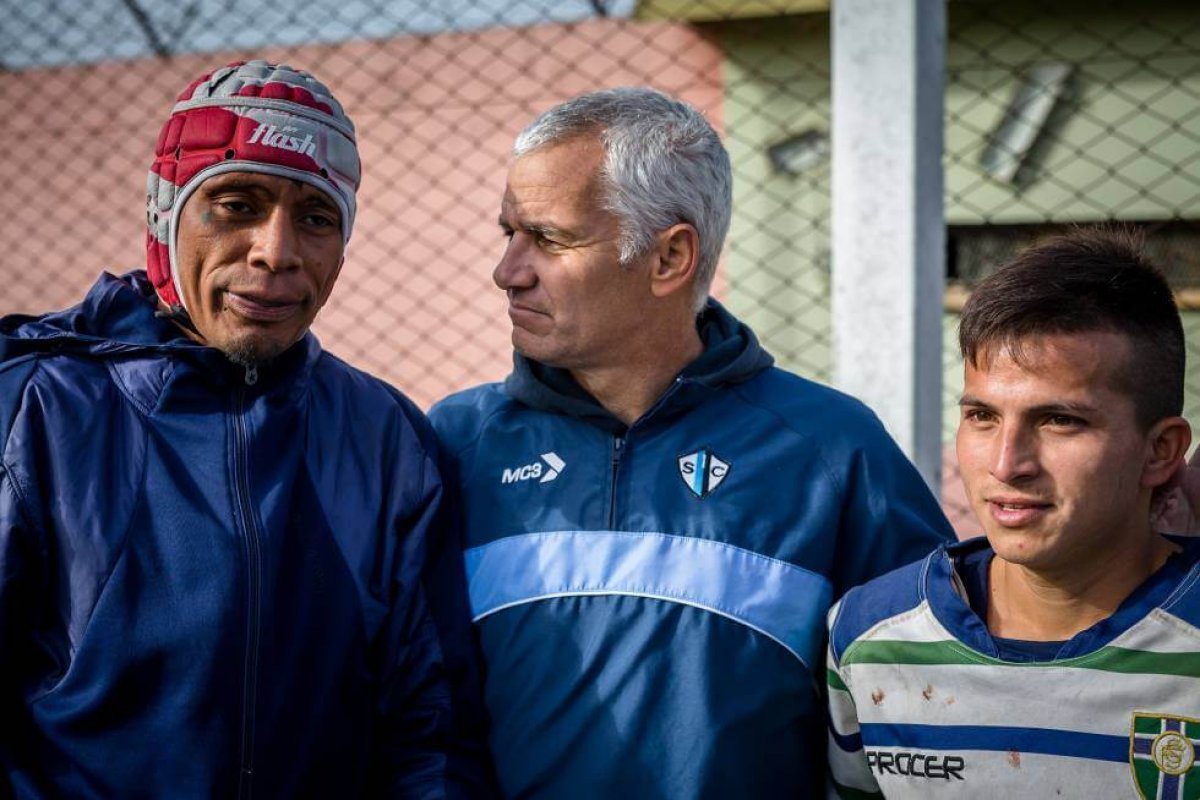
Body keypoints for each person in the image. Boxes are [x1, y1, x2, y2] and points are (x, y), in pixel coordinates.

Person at [429, 86, 953, 798]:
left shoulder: (831, 451)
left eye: (549, 239)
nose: (508, 271)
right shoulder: (456, 444)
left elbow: (930, 717)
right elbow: (408, 715)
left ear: (670, 257)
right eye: (509, 234)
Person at [0, 60, 491, 798]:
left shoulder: (386, 437)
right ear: (166, 215)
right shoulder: (36, 407)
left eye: (317, 218)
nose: (276, 251)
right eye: (237, 204)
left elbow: (429, 726)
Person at [826, 228, 1200, 799]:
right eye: (982, 416)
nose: (1007, 463)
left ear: (1161, 451)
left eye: (1059, 420)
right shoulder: (869, 636)